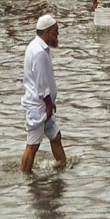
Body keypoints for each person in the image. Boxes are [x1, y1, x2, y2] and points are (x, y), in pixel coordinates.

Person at [21, 14, 66, 172]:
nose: (57, 34)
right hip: (39, 106)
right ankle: (25, 177)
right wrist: (48, 104)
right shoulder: (39, 52)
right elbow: (41, 83)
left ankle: (62, 170)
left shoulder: (37, 47)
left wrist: (50, 103)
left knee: (56, 137)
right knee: (33, 145)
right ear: (47, 32)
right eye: (55, 31)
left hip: (44, 105)